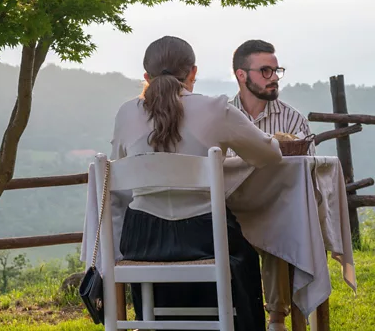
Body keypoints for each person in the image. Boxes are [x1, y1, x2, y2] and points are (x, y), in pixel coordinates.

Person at [112, 36, 282, 330]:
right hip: (205, 238)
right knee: (244, 249)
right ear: (193, 73)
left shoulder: (126, 113)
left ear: (146, 77)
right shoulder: (216, 109)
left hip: (142, 241)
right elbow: (269, 154)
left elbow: (116, 187)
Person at [230, 39, 314, 331]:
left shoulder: (293, 120)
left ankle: (276, 319)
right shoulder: (223, 116)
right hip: (232, 211)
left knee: (280, 225)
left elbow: (308, 175)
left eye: (276, 70)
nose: (275, 77)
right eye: (265, 71)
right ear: (242, 75)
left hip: (277, 208)